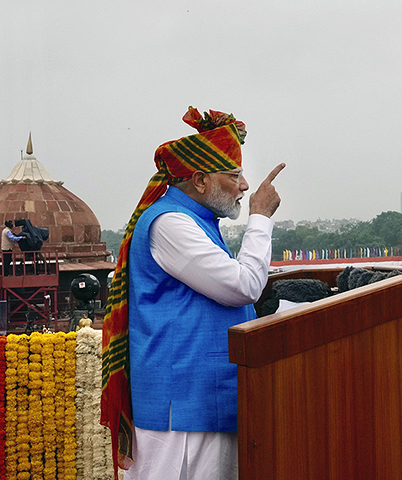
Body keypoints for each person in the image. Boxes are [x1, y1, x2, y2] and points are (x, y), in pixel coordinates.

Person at [101, 107, 285, 480]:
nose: (245, 186)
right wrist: (261, 218)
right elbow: (244, 286)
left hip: (204, 400)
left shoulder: (197, 222)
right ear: (200, 180)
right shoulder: (171, 224)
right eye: (234, 175)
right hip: (180, 411)